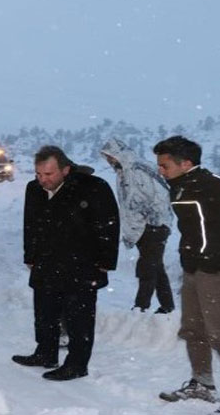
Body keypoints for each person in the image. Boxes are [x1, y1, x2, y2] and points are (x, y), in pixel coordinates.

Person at [12, 145, 119, 381]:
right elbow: (30, 225)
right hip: (46, 263)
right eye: (39, 174)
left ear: (66, 169)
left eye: (49, 174)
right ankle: (45, 353)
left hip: (82, 265)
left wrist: (105, 262)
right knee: (45, 313)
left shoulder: (92, 188)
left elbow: (109, 226)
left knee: (78, 319)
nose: (43, 180)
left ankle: (77, 364)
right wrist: (30, 256)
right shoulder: (34, 189)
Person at [154, 136, 220, 406]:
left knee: (218, 331)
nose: (160, 170)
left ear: (186, 163)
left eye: (165, 165)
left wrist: (212, 257)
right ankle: (202, 382)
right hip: (192, 268)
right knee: (193, 329)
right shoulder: (178, 187)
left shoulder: (211, 186)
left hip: (215, 270)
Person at [100, 137, 175, 314]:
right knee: (156, 266)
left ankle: (141, 306)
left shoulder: (137, 170)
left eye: (110, 156)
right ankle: (167, 306)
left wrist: (149, 220)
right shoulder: (125, 171)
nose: (110, 161)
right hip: (145, 227)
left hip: (152, 226)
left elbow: (153, 197)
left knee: (147, 267)